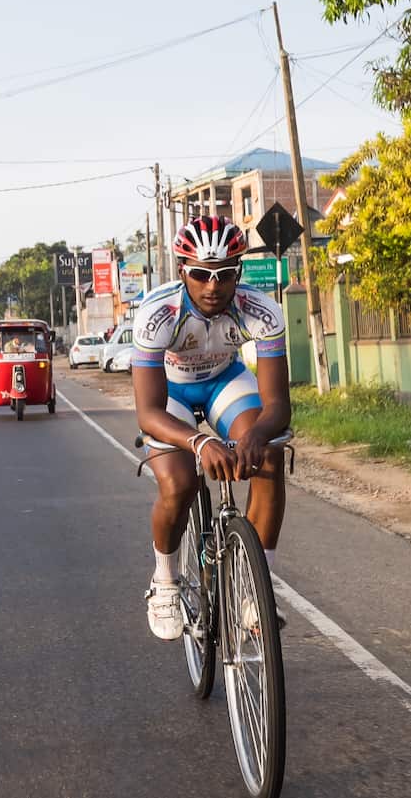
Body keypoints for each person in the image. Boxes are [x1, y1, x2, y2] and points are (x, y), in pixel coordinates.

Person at [131, 216, 291, 640]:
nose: (212, 286)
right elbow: (147, 412)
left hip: (225, 381)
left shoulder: (263, 310)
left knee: (270, 456)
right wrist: (200, 442)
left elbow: (277, 405)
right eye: (200, 274)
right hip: (172, 393)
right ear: (182, 270)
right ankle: (165, 581)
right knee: (179, 484)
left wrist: (254, 437)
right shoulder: (156, 314)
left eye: (224, 275)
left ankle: (259, 587)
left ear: (238, 272)